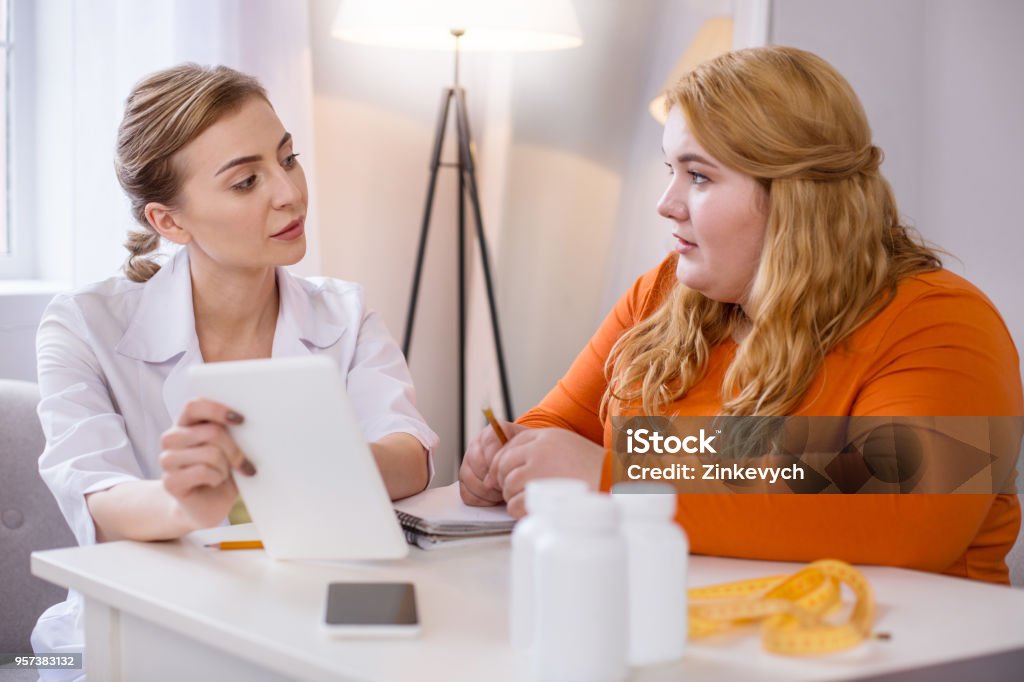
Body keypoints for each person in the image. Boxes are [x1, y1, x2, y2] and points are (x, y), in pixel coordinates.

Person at [460, 46, 1022, 584]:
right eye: (669, 169)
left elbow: (906, 511)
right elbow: (558, 429)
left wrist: (615, 473)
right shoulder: (658, 296)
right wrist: (513, 456)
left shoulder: (943, 320)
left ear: (795, 198)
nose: (666, 202)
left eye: (698, 176)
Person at [32, 64, 438, 667]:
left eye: (288, 158)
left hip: (302, 610)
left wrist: (288, 458)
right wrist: (184, 504)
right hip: (140, 624)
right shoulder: (84, 326)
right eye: (247, 181)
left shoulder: (343, 312)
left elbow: (410, 458)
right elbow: (97, 499)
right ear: (169, 222)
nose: (289, 192)